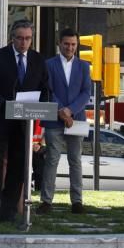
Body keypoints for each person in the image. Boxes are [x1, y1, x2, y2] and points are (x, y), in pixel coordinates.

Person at [0, 20, 49, 224]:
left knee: (18, 168)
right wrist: (4, 104)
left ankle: (9, 212)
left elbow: (45, 88)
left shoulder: (38, 59)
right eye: (20, 38)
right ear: (12, 37)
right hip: (0, 120)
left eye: (28, 38)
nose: (23, 42)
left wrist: (43, 105)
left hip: (24, 123)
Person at [36, 28, 91, 215]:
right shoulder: (48, 64)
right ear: (59, 43)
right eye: (66, 44)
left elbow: (86, 93)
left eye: (73, 44)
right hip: (54, 119)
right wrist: (61, 110)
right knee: (52, 159)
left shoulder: (84, 66)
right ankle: (46, 201)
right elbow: (48, 90)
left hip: (76, 120)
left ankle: (77, 201)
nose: (70, 47)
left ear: (77, 45)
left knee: (75, 160)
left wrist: (70, 110)